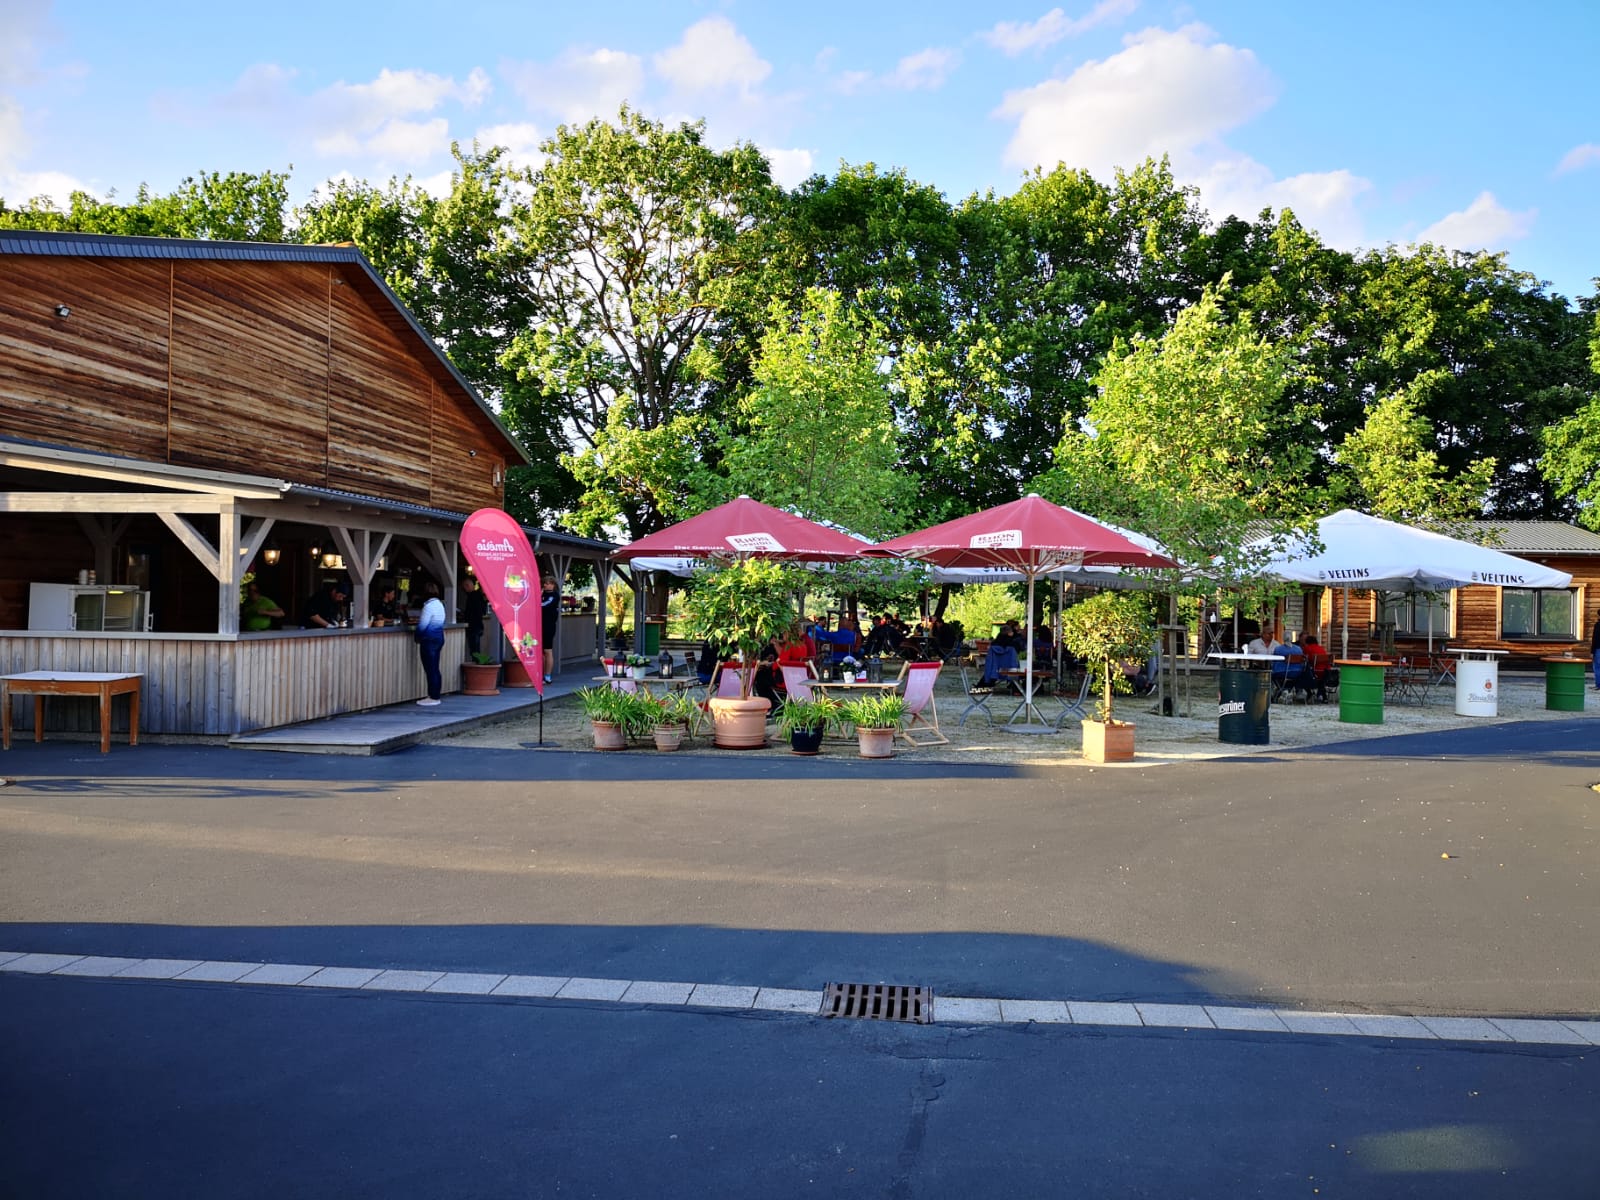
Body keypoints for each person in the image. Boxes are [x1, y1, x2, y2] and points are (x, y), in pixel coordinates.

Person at [414, 581, 446, 706]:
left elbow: (422, 625)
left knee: (430, 669)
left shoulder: (428, 607)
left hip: (428, 640)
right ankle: (435, 694)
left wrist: (417, 637)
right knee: (435, 668)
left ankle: (433, 697)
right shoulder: (440, 605)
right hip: (439, 638)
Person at [978, 620, 1026, 687]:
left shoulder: (994, 645)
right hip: (1010, 668)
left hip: (995, 669)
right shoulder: (1013, 644)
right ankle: (1016, 686)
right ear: (1009, 633)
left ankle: (981, 685)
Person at [460, 576, 488, 656]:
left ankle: (476, 663)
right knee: (476, 649)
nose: (464, 589)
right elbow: (483, 611)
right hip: (478, 626)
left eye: (465, 586)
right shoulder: (478, 596)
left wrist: (464, 615)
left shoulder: (472, 596)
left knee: (474, 650)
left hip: (473, 626)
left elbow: (472, 612)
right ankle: (476, 662)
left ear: (468, 586)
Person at [540, 574, 560, 685]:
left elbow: (544, 605)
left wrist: (538, 598)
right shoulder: (542, 594)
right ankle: (540, 674)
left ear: (553, 585)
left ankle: (547, 675)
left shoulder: (554, 595)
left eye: (548, 583)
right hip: (539, 625)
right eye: (544, 583)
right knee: (540, 651)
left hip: (548, 626)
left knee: (547, 650)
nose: (545, 585)